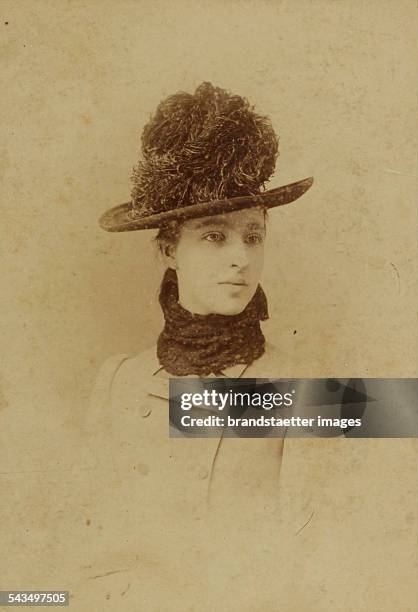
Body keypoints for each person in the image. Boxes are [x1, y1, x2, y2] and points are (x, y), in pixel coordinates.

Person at [86, 82, 314, 610]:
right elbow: (86, 545)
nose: (241, 258)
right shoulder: (118, 381)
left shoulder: (312, 394)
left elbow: (316, 570)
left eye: (252, 236)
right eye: (215, 236)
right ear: (169, 248)